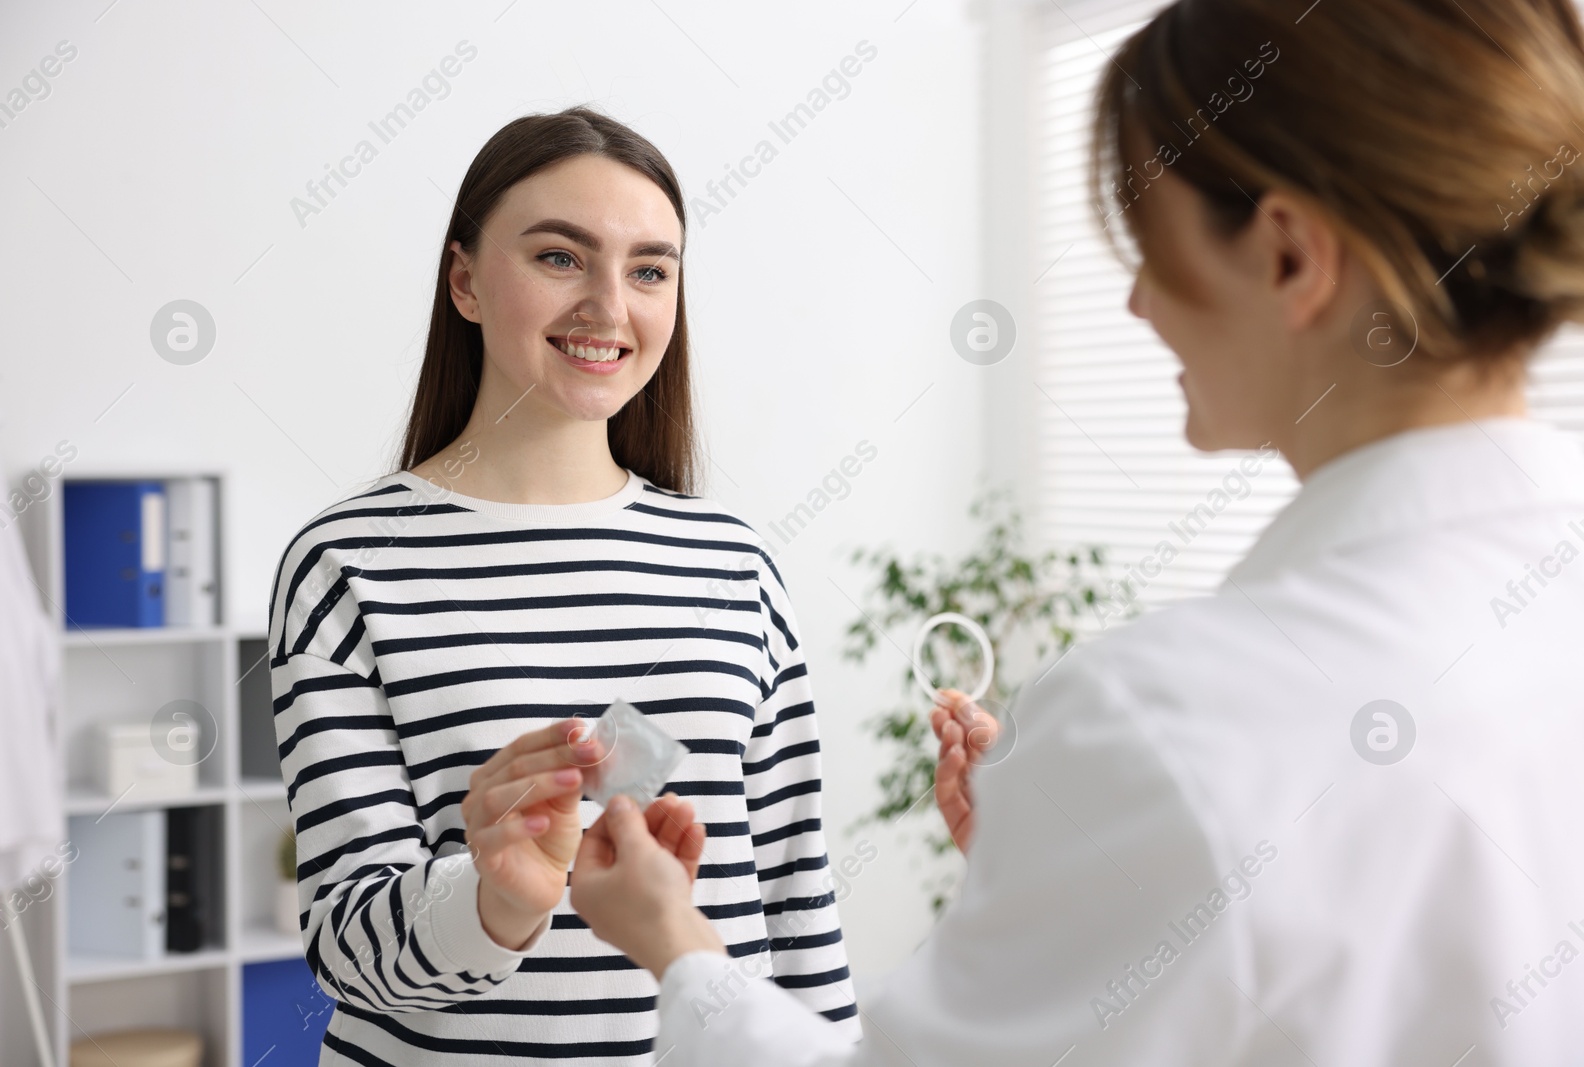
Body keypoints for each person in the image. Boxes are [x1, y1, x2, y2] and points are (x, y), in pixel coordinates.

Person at [566, 1, 1584, 1063]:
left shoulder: (1163, 721)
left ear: (1286, 255)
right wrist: (1077, 865)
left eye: (1150, 245)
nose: (1139, 303)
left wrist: (675, 943)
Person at [267, 107, 859, 1066]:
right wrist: (496, 900)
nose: (610, 308)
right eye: (559, 257)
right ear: (463, 279)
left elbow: (797, 902)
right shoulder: (348, 563)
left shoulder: (736, 563)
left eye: (650, 270)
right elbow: (346, 948)